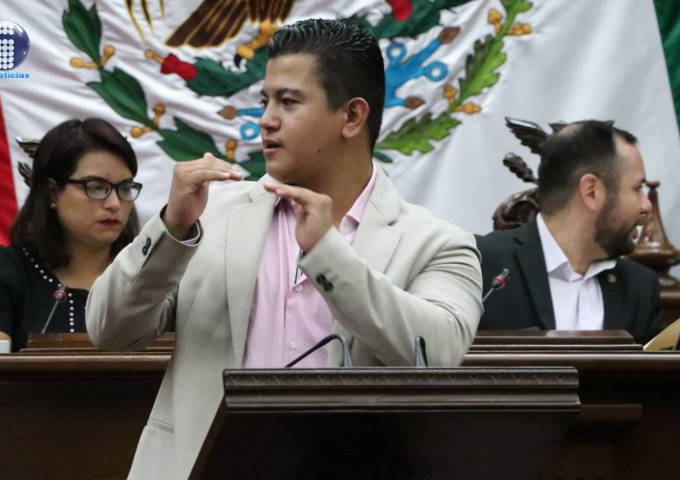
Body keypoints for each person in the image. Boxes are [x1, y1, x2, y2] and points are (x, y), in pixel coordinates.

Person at [86, 19, 482, 479]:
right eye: (265, 101)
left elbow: (437, 356)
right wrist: (172, 228)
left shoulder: (437, 243)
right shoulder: (209, 216)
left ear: (352, 117)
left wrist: (329, 256)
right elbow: (109, 331)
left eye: (288, 102)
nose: (266, 120)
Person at [0, 118, 141, 352]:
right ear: (53, 193)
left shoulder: (149, 271)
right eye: (96, 187)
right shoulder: (3, 270)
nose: (114, 203)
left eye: (125, 188)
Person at [478, 120, 663, 343]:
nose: (646, 206)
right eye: (637, 189)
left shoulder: (639, 288)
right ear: (591, 192)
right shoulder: (481, 266)